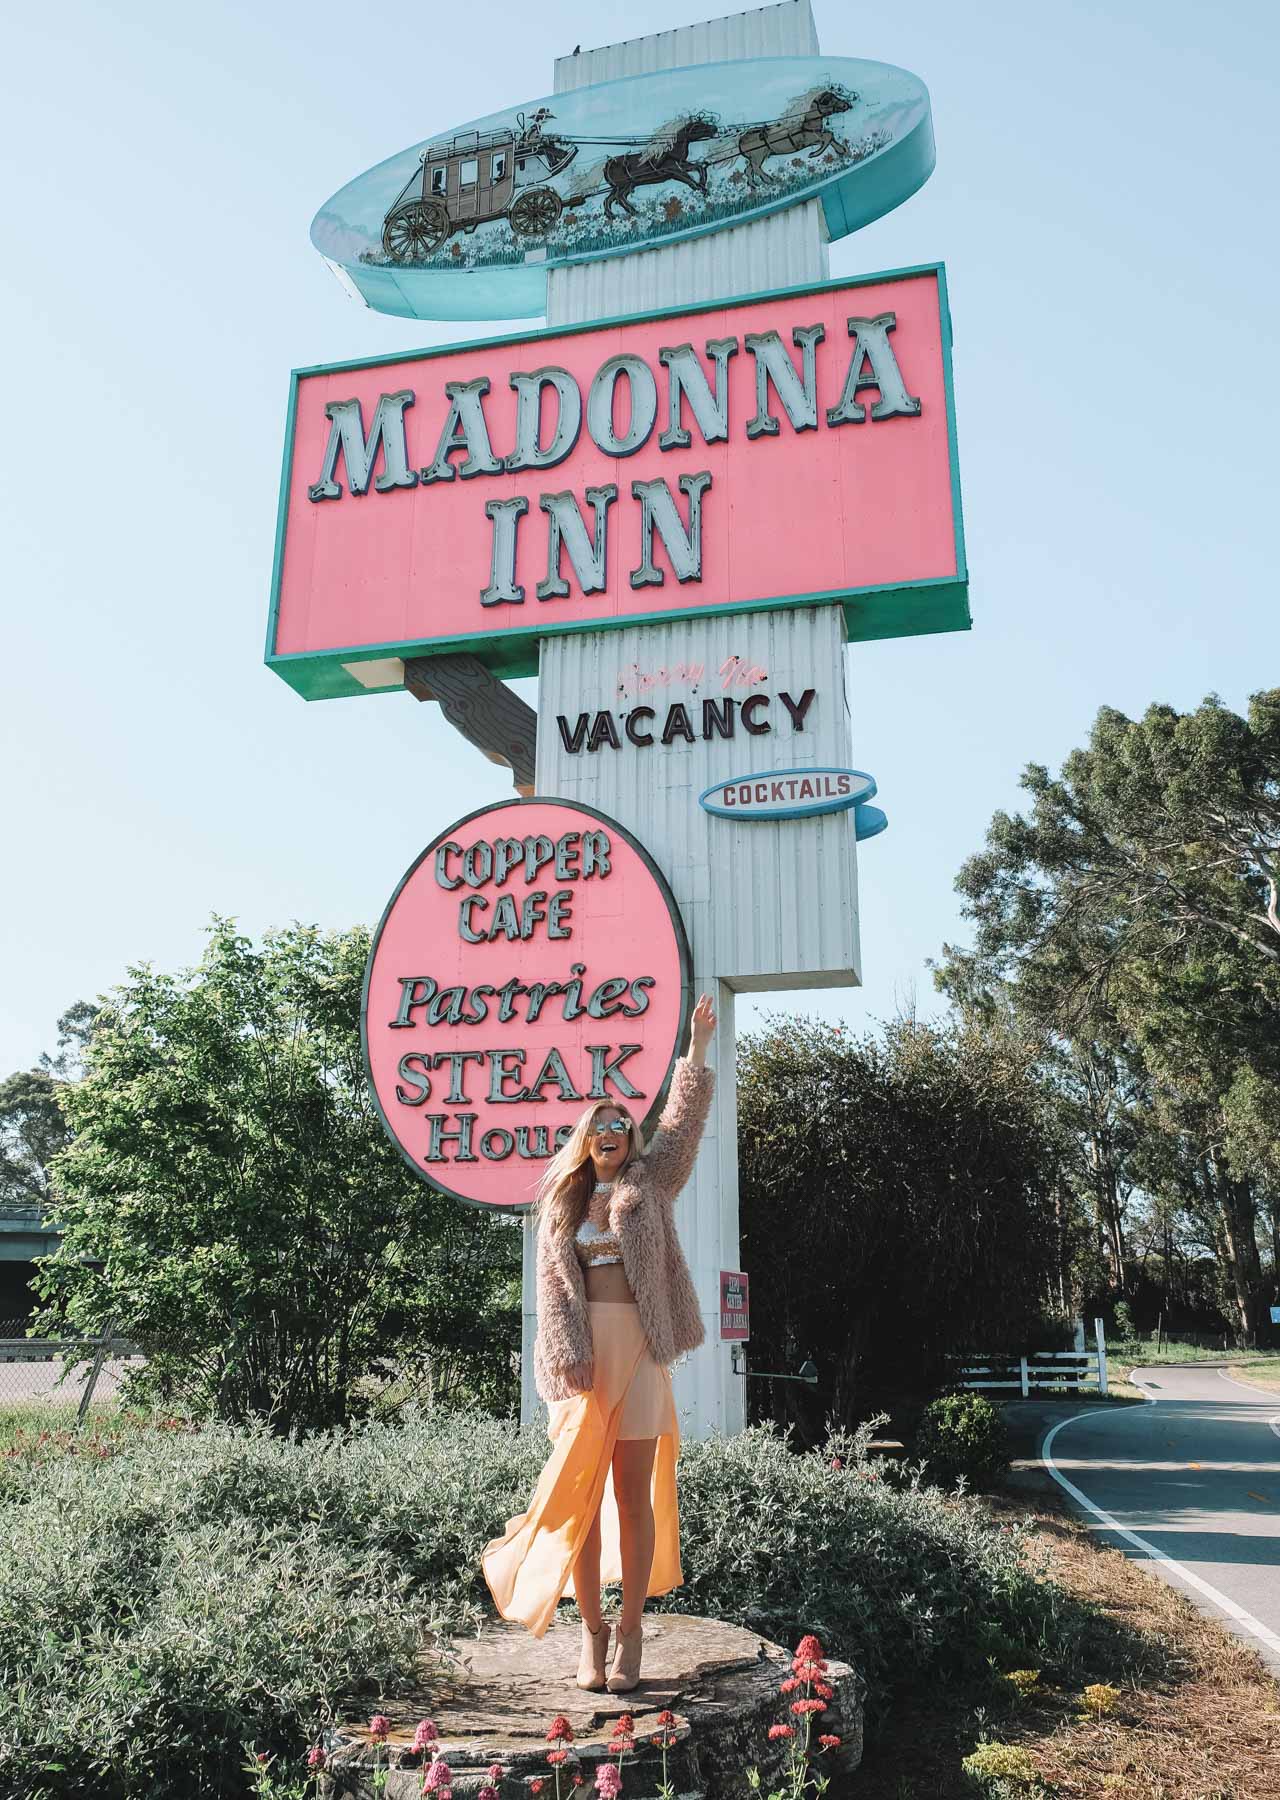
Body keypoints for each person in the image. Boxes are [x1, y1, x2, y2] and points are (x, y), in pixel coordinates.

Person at [481, 994, 717, 1692]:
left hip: (638, 1356)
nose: (612, 1130)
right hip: (584, 1368)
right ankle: (591, 1632)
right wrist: (565, 1360)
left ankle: (632, 1632)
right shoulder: (561, 1204)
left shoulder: (652, 1182)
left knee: (633, 1500)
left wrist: (696, 1050)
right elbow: (553, 1295)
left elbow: (682, 1124)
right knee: (581, 1501)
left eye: (621, 1123)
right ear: (585, 1139)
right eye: (600, 1125)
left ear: (630, 1138)